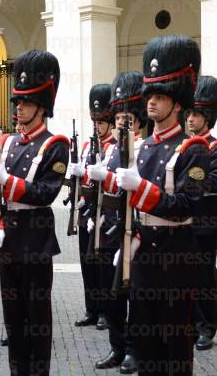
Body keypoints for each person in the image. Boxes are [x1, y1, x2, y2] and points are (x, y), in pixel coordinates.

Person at [116, 35, 208, 376]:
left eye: (161, 96)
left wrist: (141, 189)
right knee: (145, 344)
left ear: (177, 103)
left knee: (175, 348)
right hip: (143, 257)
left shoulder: (192, 149)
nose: (151, 103)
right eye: (150, 95)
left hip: (175, 257)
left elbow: (186, 205)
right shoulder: (140, 148)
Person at [0, 50, 69, 376]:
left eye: (26, 101)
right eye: (17, 101)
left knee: (37, 318)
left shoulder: (55, 144)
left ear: (42, 105)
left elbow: (47, 192)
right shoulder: (7, 143)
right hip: (9, 241)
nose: (18, 107)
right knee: (13, 317)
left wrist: (8, 182)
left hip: (35, 240)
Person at [87, 71, 146, 373]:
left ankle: (134, 350)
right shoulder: (111, 148)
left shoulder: (144, 147)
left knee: (132, 295)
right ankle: (117, 345)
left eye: (127, 116)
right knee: (111, 296)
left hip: (135, 233)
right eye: (119, 115)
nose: (122, 121)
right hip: (110, 230)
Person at [70, 84, 115, 331]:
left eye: (102, 122)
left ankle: (106, 312)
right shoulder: (88, 146)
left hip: (103, 212)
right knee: (86, 262)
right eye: (95, 122)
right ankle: (92, 308)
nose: (97, 127)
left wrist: (91, 173)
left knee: (101, 264)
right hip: (86, 209)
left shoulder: (114, 147)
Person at [186, 75, 217, 351]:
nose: (190, 119)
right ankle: (193, 323)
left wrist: (192, 183)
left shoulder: (214, 147)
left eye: (196, 115)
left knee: (206, 277)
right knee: (187, 277)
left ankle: (208, 326)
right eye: (189, 114)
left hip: (207, 223)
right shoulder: (185, 147)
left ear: (207, 118)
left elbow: (213, 182)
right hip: (185, 222)